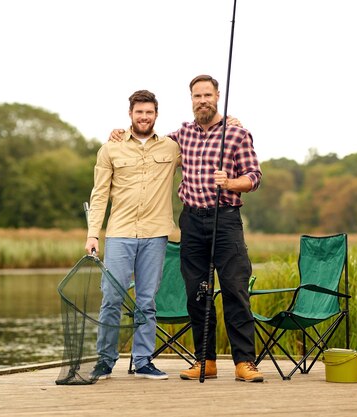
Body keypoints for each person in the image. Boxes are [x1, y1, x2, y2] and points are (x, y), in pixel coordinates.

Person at [110, 74, 264, 382]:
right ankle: (205, 360)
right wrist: (121, 133)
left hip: (226, 220)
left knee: (234, 289)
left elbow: (254, 176)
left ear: (217, 96)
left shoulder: (236, 133)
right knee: (196, 293)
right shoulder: (181, 135)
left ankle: (244, 362)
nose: (202, 100)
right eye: (197, 96)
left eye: (207, 94)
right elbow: (148, 144)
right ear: (191, 99)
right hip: (192, 221)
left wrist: (231, 182)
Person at [85, 89, 180, 380]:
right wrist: (92, 235)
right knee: (111, 298)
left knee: (147, 301)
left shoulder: (172, 148)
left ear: (156, 115)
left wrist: (233, 122)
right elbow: (99, 195)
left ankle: (142, 361)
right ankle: (105, 360)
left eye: (149, 112)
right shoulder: (110, 148)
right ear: (130, 114)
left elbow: (204, 146)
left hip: (155, 235)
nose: (144, 117)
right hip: (119, 234)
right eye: (139, 112)